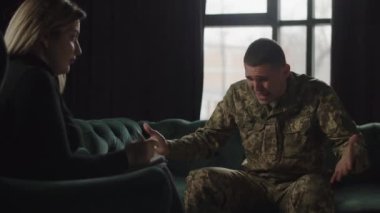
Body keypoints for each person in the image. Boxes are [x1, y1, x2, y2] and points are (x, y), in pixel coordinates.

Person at [143, 38, 369, 212]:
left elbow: (347, 141)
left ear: (285, 71)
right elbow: (209, 137)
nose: (255, 87)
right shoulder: (238, 94)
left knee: (313, 190)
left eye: (263, 79)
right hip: (253, 182)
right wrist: (169, 147)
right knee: (201, 180)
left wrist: (349, 156)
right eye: (250, 79)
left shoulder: (316, 94)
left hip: (297, 184)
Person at [0, 0, 183, 212]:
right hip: (39, 199)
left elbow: (48, 161)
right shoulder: (35, 80)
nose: (78, 50)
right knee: (157, 178)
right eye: (72, 37)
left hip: (29, 191)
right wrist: (128, 157)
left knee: (155, 170)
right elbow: (61, 169)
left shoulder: (16, 73)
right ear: (45, 38)